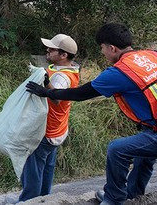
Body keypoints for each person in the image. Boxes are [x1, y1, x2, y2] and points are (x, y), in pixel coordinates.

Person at [26, 23, 157, 205]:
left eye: (102, 48)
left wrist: (47, 92)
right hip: (151, 127)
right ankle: (132, 195)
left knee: (117, 149)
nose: (102, 52)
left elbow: (81, 94)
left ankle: (113, 199)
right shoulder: (151, 55)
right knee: (142, 154)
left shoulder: (120, 72)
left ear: (112, 48)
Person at [18, 34, 80, 202]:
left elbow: (57, 98)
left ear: (63, 55)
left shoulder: (62, 77)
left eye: (52, 49)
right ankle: (44, 198)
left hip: (47, 131)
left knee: (33, 168)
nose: (47, 50)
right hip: (58, 129)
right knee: (47, 166)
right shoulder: (67, 69)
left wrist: (45, 84)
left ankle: (28, 200)